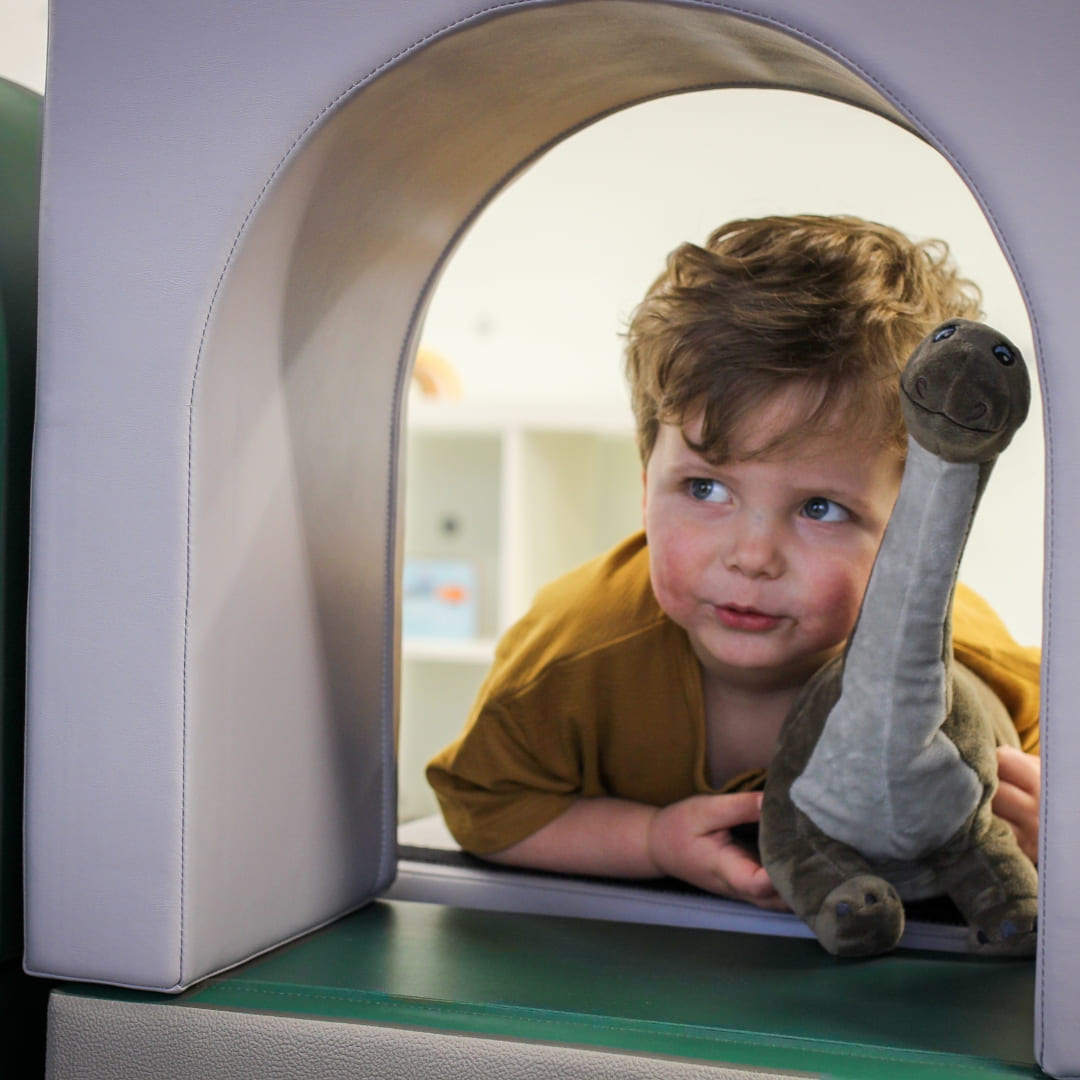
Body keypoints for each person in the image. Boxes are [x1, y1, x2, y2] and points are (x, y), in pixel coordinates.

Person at [426, 215, 1041, 910]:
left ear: (910, 536)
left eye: (819, 509)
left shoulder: (967, 653)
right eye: (706, 489)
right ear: (644, 483)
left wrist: (1051, 830)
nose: (752, 557)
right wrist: (650, 841)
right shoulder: (571, 653)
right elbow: (486, 810)